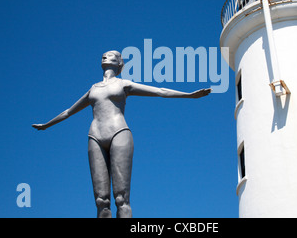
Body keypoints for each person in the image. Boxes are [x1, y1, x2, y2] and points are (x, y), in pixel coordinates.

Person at [32, 50, 211, 218]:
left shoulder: (123, 84)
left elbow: (159, 91)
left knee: (121, 198)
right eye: (103, 55)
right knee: (101, 200)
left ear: (119, 63)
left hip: (119, 133)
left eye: (111, 55)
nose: (105, 57)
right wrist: (46, 125)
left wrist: (189, 95)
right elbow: (68, 112)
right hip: (95, 136)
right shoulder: (93, 88)